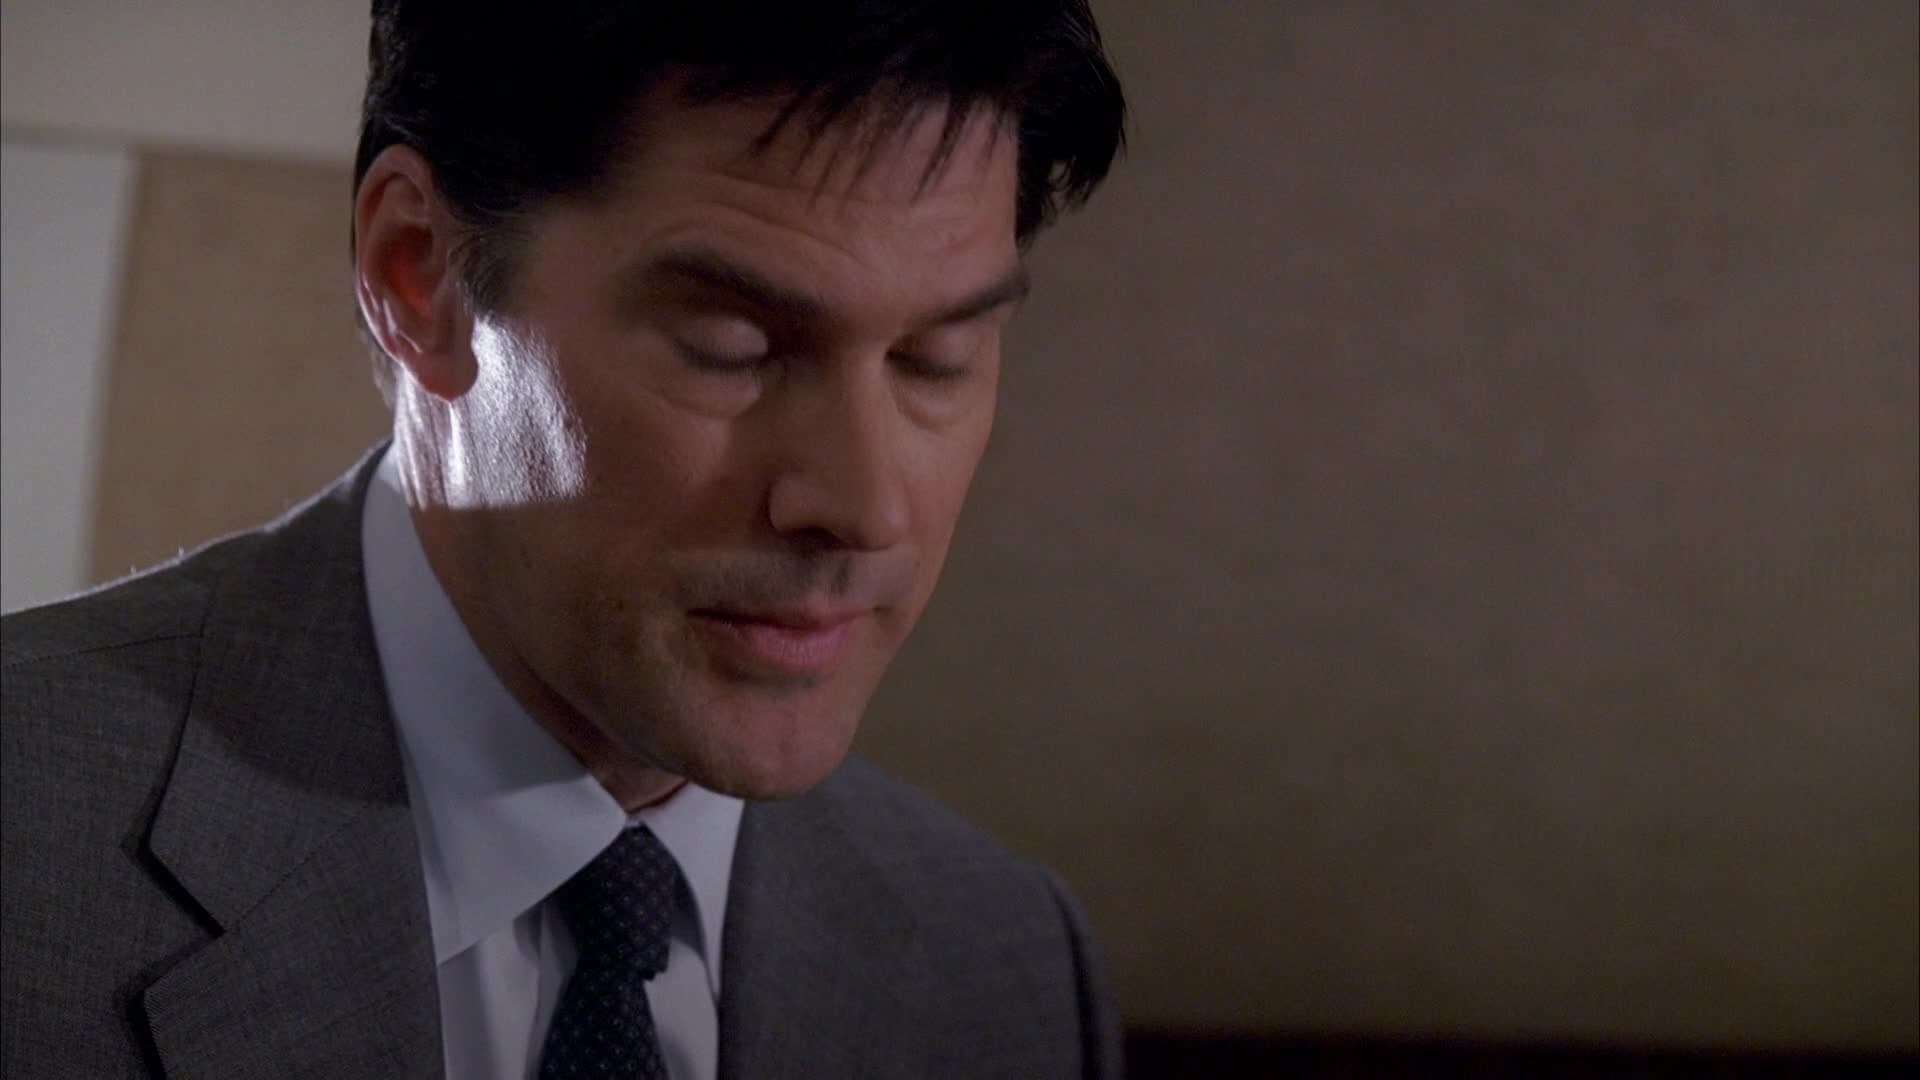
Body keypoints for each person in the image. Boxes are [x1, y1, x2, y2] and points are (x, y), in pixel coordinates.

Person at [0, 2, 1128, 1077]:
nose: (868, 507)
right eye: (733, 346)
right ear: (418, 271)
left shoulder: (1005, 963)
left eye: (936, 361)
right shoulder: (31, 826)